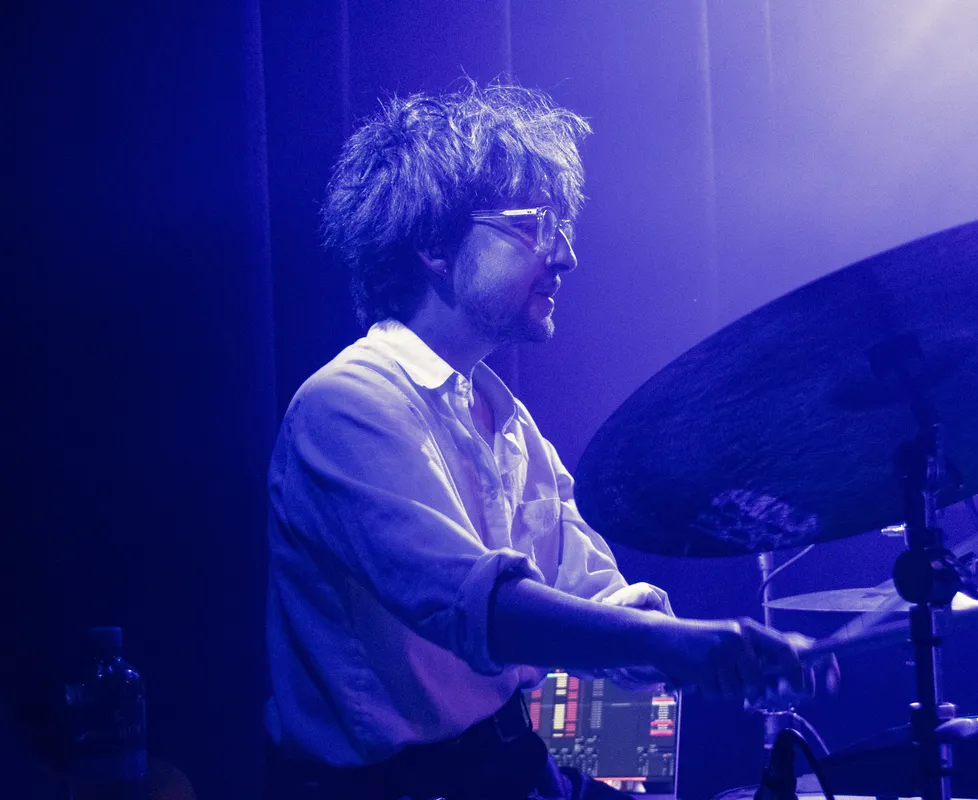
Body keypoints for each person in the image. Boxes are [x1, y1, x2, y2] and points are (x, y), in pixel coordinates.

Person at [263, 79, 816, 800]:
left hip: (510, 768)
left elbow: (591, 607)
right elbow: (484, 613)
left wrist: (707, 651)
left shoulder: (507, 420)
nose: (565, 256)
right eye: (533, 226)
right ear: (434, 244)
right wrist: (679, 646)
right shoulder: (345, 404)